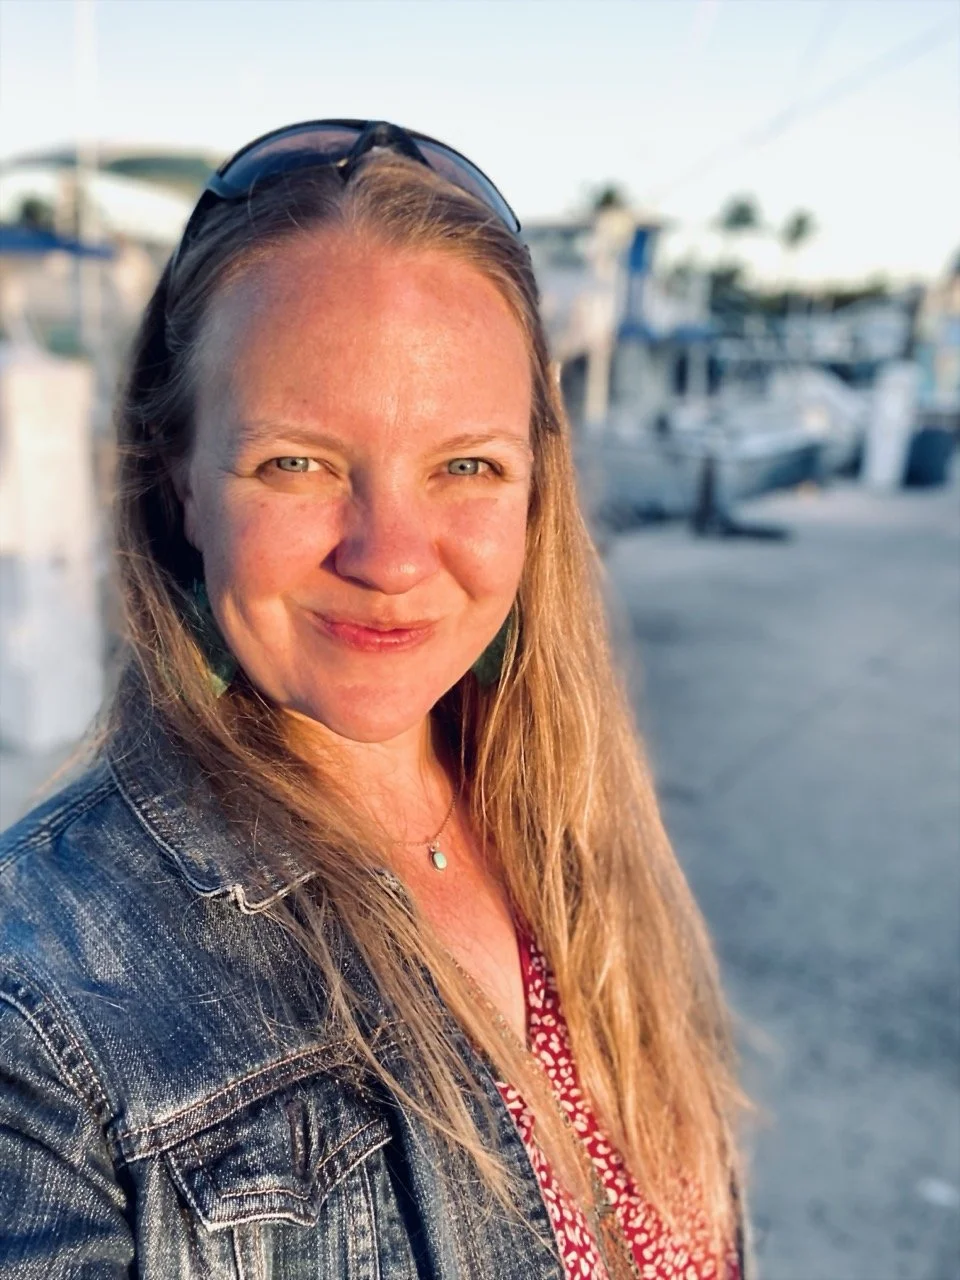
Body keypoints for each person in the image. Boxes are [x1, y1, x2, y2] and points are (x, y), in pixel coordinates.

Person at [0, 120, 748, 1279]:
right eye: (296, 462)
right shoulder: (40, 1011)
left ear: (537, 487)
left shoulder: (570, 830)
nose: (392, 556)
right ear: (177, 481)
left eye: (468, 465)